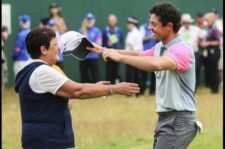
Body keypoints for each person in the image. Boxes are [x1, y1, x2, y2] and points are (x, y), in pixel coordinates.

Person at [87, 2, 201, 148]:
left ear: (169, 26)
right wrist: (103, 50)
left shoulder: (182, 49)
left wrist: (119, 57)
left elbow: (156, 64)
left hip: (178, 120)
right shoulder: (161, 47)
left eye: (154, 24)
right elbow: (139, 54)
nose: (149, 28)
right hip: (166, 118)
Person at [15, 27, 140, 148]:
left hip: (40, 138)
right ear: (43, 49)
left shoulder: (30, 68)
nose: (58, 48)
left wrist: (94, 87)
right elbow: (78, 91)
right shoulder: (42, 71)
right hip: (45, 140)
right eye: (55, 44)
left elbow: (72, 90)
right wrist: (115, 89)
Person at [179, 13, 206, 91]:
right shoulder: (179, 30)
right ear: (182, 22)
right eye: (185, 22)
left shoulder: (196, 29)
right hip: (183, 54)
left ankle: (194, 88)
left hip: (194, 53)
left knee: (196, 69)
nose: (186, 24)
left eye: (188, 22)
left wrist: (198, 42)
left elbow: (202, 36)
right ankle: (185, 87)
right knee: (184, 70)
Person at [200, 12, 221, 93]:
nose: (205, 22)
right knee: (210, 69)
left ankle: (215, 88)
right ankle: (212, 87)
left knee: (214, 69)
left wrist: (208, 43)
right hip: (209, 51)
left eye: (206, 20)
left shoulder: (215, 29)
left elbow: (219, 42)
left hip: (214, 51)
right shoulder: (209, 29)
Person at [78, 13, 102, 83]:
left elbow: (98, 44)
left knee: (96, 78)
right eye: (88, 19)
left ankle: (98, 93)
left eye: (91, 19)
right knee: (84, 78)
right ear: (85, 20)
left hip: (94, 57)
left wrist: (88, 46)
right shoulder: (80, 30)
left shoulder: (97, 31)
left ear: (94, 20)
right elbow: (79, 44)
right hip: (83, 57)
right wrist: (84, 32)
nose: (89, 21)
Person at [139, 15, 158, 95]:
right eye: (150, 19)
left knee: (154, 74)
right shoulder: (142, 27)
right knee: (143, 74)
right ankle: (142, 91)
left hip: (155, 54)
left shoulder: (157, 27)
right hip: (145, 54)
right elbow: (140, 39)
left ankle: (152, 91)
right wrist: (150, 37)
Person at [124, 16, 143, 96]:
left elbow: (131, 47)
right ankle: (138, 92)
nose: (128, 24)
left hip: (131, 57)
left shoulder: (132, 34)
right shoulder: (138, 33)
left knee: (131, 75)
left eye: (129, 23)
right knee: (137, 75)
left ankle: (130, 92)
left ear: (133, 24)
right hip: (137, 57)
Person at [102, 14, 123, 84]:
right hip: (108, 54)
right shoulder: (105, 30)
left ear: (116, 21)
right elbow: (103, 42)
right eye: (110, 20)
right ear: (108, 21)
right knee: (109, 70)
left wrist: (113, 41)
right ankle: (108, 85)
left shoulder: (119, 30)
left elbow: (120, 41)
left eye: (113, 20)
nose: (112, 22)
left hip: (117, 53)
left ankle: (115, 84)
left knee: (115, 70)